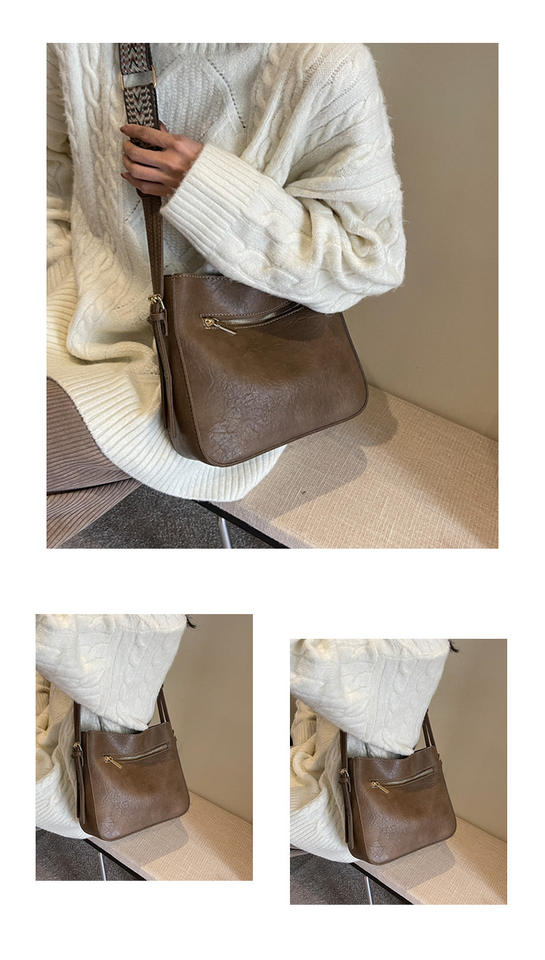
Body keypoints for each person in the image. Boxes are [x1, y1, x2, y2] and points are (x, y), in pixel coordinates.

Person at [47, 43, 405, 545]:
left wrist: (203, 186)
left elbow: (367, 259)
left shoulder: (324, 63)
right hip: (63, 300)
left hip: (210, 366)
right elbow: (45, 175)